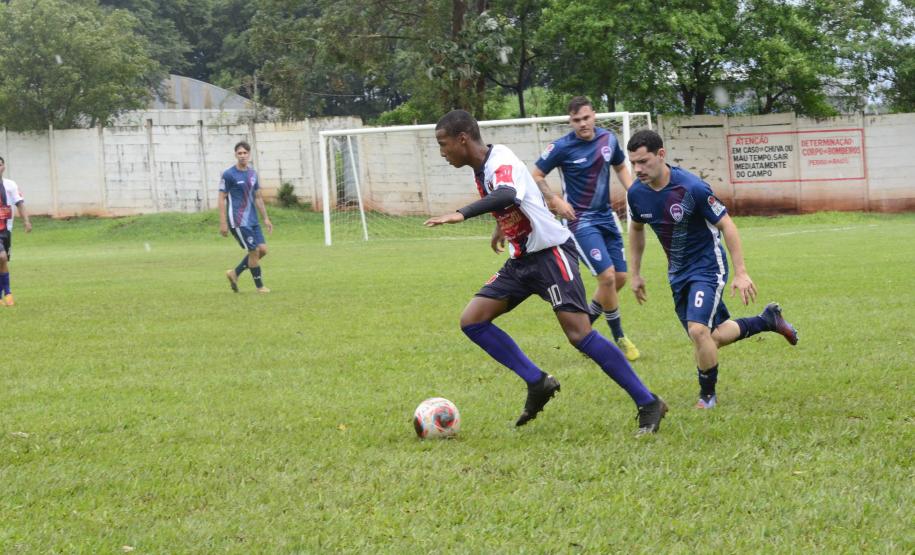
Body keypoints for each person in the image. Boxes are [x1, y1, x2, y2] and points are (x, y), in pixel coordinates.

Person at [424, 110, 667, 435]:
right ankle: (537, 381)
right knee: (473, 320)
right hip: (522, 260)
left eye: (444, 144)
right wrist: (501, 225)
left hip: (552, 254)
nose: (442, 152)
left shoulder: (500, 160)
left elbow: (508, 193)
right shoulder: (481, 168)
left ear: (462, 139)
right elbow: (515, 198)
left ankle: (648, 401)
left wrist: (460, 214)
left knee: (579, 334)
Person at [625, 130, 798, 409]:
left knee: (698, 332)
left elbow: (727, 224)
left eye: (643, 162)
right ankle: (767, 320)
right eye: (633, 163)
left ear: (661, 155)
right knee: (711, 337)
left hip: (707, 267)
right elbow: (635, 230)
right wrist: (634, 273)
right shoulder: (636, 194)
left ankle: (707, 397)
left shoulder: (692, 188)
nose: (638, 169)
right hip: (677, 273)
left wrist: (740, 272)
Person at [532, 96, 640, 361]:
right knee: (607, 278)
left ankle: (586, 325)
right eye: (576, 120)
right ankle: (619, 338)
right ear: (571, 121)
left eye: (586, 118)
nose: (582, 124)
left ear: (594, 115)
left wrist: (637, 193)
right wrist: (555, 200)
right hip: (579, 220)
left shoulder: (609, 139)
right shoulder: (561, 147)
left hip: (607, 216)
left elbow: (621, 166)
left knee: (620, 279)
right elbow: (535, 174)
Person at [219, 141, 273, 293]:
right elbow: (221, 198)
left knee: (262, 250)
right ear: (235, 155)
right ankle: (260, 287)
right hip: (238, 220)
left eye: (245, 153)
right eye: (239, 153)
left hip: (253, 219)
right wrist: (223, 223)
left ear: (249, 155)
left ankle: (234, 273)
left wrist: (266, 218)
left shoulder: (252, 174)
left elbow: (257, 197)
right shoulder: (229, 174)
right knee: (254, 251)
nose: (242, 156)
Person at [0, 155, 32, 306]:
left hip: (6, 229)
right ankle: (8, 292)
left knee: (3, 261)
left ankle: (4, 295)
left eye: (0, 165)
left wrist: (26, 221)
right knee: (2, 258)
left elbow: (19, 204)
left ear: (4, 167)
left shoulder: (10, 185)